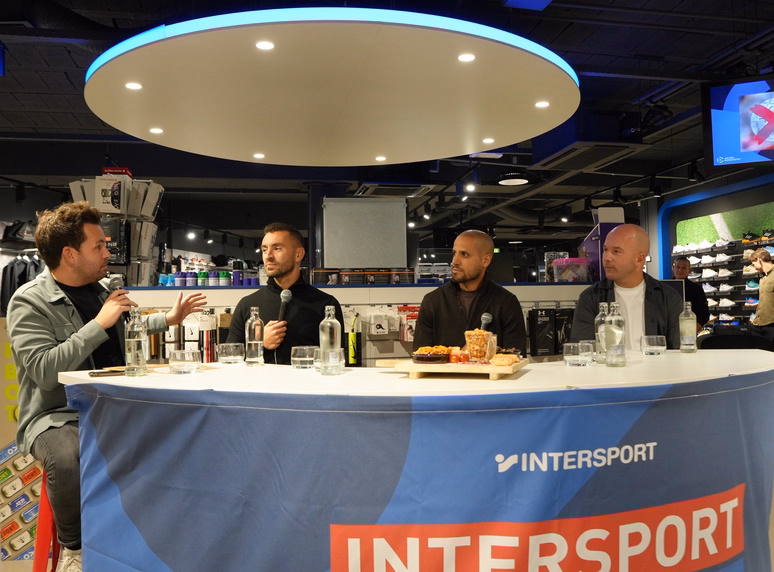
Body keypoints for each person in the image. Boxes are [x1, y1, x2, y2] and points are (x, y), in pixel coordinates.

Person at [7, 201, 206, 572]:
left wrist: (169, 318)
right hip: (56, 416)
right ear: (70, 254)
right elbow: (43, 371)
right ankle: (75, 549)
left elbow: (128, 330)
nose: (107, 253)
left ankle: (161, 535)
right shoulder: (29, 301)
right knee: (67, 459)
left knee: (183, 432)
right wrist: (97, 324)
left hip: (112, 405)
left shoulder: (101, 290)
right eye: (98, 246)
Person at [227, 222, 343, 364]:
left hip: (307, 385)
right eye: (264, 250)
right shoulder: (248, 304)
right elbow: (231, 359)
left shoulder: (325, 304)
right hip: (261, 385)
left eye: (277, 249)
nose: (268, 256)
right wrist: (259, 343)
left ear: (298, 254)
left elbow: (336, 359)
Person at [413, 229, 527, 355]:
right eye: (454, 253)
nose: (455, 261)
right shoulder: (433, 301)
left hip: (490, 374)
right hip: (444, 375)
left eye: (464, 254)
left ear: (485, 260)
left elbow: (515, 357)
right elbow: (420, 357)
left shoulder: (506, 303)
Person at [571, 223, 682, 349]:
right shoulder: (590, 298)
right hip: (609, 368)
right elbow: (583, 349)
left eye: (616, 251)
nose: (607, 257)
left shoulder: (668, 298)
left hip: (656, 368)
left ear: (639, 259)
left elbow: (678, 351)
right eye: (605, 250)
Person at [672, 256, 709, 330]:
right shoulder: (665, 287)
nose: (680, 270)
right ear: (673, 268)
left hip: (689, 328)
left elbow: (704, 313)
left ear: (689, 270)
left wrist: (694, 329)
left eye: (683, 268)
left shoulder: (696, 289)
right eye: (678, 267)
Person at [749, 248, 774, 342]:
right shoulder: (762, 279)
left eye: (753, 264)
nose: (754, 267)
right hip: (758, 325)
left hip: (771, 326)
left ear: (759, 260)